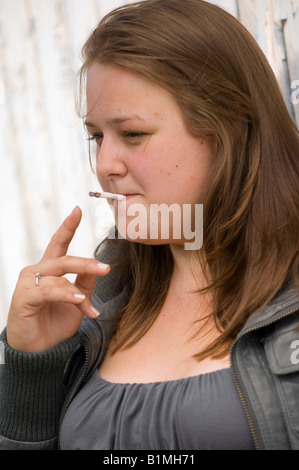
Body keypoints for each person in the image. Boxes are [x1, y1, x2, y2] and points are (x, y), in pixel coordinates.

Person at [0, 0, 299, 451]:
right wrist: (34, 365)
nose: (104, 165)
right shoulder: (101, 295)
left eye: (133, 134)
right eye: (97, 136)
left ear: (230, 127)